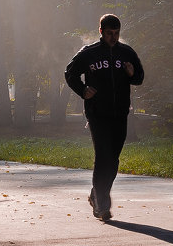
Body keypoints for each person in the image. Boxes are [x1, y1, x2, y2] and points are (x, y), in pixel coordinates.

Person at [64, 13, 144, 221]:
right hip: (98, 114)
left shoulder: (126, 53)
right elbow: (70, 73)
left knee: (113, 159)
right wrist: (83, 90)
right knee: (102, 157)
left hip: (120, 114)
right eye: (109, 33)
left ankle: (95, 194)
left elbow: (139, 78)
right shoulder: (89, 53)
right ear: (101, 31)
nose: (113, 37)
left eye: (117, 33)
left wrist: (131, 73)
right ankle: (102, 205)